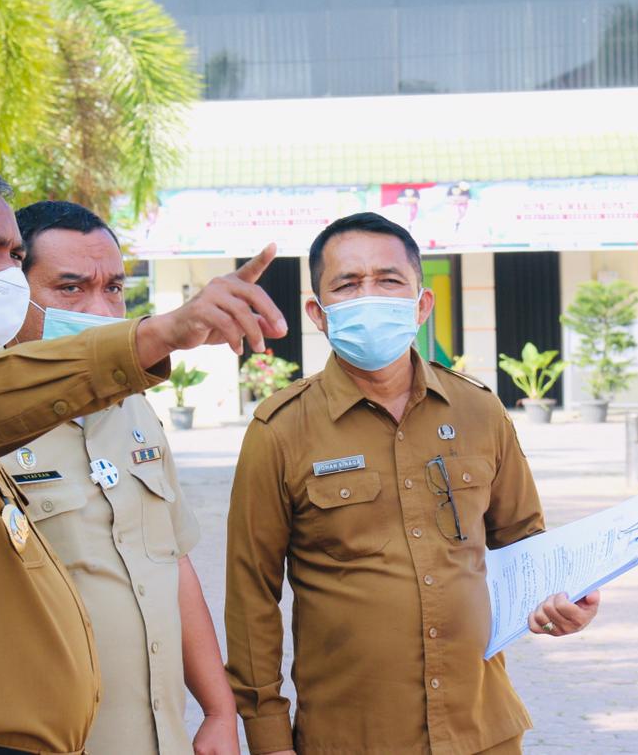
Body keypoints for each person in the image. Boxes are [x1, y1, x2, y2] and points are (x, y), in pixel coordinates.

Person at [0, 158, 284, 755]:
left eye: (12, 256)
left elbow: (167, 561)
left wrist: (217, 708)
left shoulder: (91, 404)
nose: (5, 275)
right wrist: (155, 336)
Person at [224, 213, 601, 755]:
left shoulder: (479, 410)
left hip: (482, 729)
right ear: (319, 313)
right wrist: (268, 735)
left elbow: (528, 545)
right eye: (348, 284)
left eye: (388, 280)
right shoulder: (280, 430)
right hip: (352, 736)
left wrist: (564, 600)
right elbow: (251, 595)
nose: (369, 295)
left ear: (421, 304)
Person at [3, 201, 238, 755]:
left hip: (159, 739)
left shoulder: (132, 406)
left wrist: (219, 710)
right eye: (70, 288)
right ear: (12, 292)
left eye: (113, 288)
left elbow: (170, 559)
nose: (100, 311)